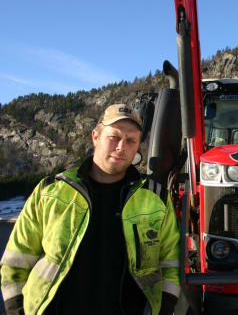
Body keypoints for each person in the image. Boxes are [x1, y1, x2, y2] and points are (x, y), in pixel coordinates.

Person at [0, 104, 180, 315]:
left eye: (131, 140)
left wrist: (165, 308)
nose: (122, 146)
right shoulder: (50, 191)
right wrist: (16, 310)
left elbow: (171, 264)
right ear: (95, 136)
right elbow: (16, 259)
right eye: (114, 137)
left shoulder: (156, 198)